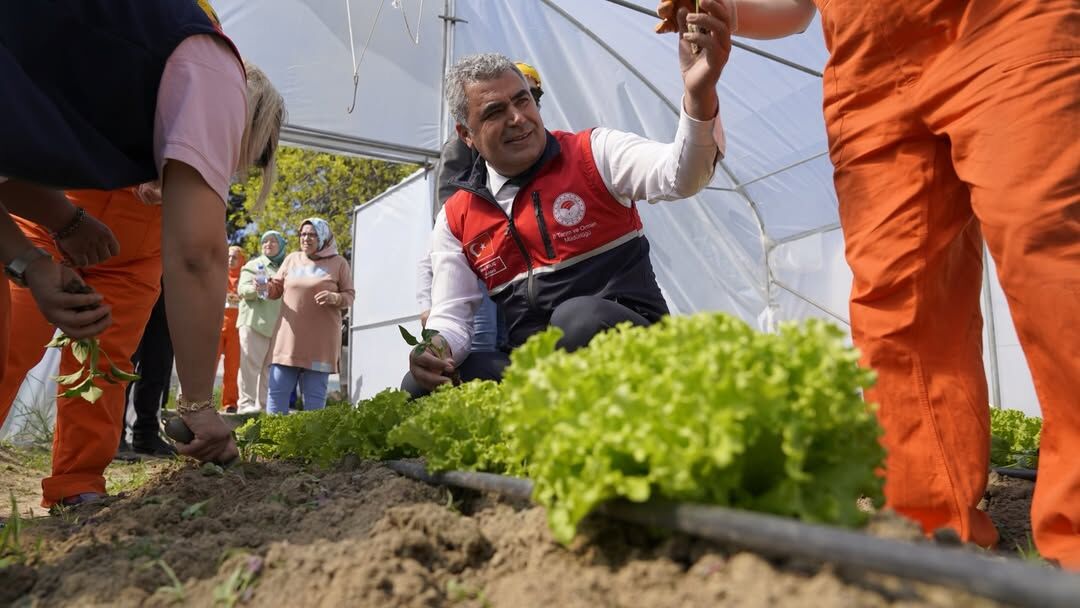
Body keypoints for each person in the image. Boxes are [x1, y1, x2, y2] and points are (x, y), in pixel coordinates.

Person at [730, 0, 1079, 568]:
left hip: (1000, 22)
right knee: (894, 306)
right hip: (867, 67)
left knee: (1051, 260)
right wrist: (724, 10)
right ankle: (932, 533)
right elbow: (795, 10)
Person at [0, 0, 285, 471]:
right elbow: (198, 256)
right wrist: (46, 241)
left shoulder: (173, 53)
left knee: (104, 367)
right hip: (51, 224)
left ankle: (79, 483)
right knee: (10, 344)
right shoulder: (207, 70)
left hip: (131, 258)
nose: (229, 170)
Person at [405, 2, 732, 397]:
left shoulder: (593, 152)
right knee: (425, 382)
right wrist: (436, 347)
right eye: (495, 112)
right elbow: (452, 317)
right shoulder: (457, 216)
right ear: (466, 135)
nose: (518, 118)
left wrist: (700, 94)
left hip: (632, 348)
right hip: (540, 371)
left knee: (577, 319)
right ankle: (536, 433)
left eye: (523, 100)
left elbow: (681, 175)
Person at [415, 62, 545, 354]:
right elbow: (449, 213)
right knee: (482, 339)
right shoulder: (459, 151)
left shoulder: (537, 144)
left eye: (531, 98)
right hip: (481, 257)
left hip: (519, 262)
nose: (519, 114)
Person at [265, 219, 354, 414]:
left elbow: (350, 296)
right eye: (303, 234)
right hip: (289, 339)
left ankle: (311, 444)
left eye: (312, 235)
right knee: (276, 392)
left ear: (323, 237)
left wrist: (334, 297)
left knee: (315, 400)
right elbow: (275, 290)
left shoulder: (338, 263)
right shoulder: (291, 259)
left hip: (320, 342)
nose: (306, 238)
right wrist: (265, 287)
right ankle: (271, 442)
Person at [119, 285, 177, 458]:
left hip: (168, 282)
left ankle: (146, 434)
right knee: (125, 360)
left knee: (159, 360)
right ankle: (114, 434)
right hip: (136, 278)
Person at [235, 231, 286, 414]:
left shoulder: (284, 268)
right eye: (265, 241)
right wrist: (257, 289)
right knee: (250, 366)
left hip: (276, 326)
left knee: (268, 369)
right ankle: (245, 404)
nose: (268, 244)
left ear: (281, 245)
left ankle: (264, 406)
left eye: (273, 241)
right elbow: (242, 289)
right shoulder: (255, 265)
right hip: (254, 322)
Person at [216, 245, 245, 413]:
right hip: (217, 326)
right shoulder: (218, 275)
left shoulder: (247, 277)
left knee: (232, 369)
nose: (230, 259)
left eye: (234, 257)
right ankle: (203, 401)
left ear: (242, 260)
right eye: (228, 256)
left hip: (236, 329)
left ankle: (230, 403)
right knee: (208, 367)